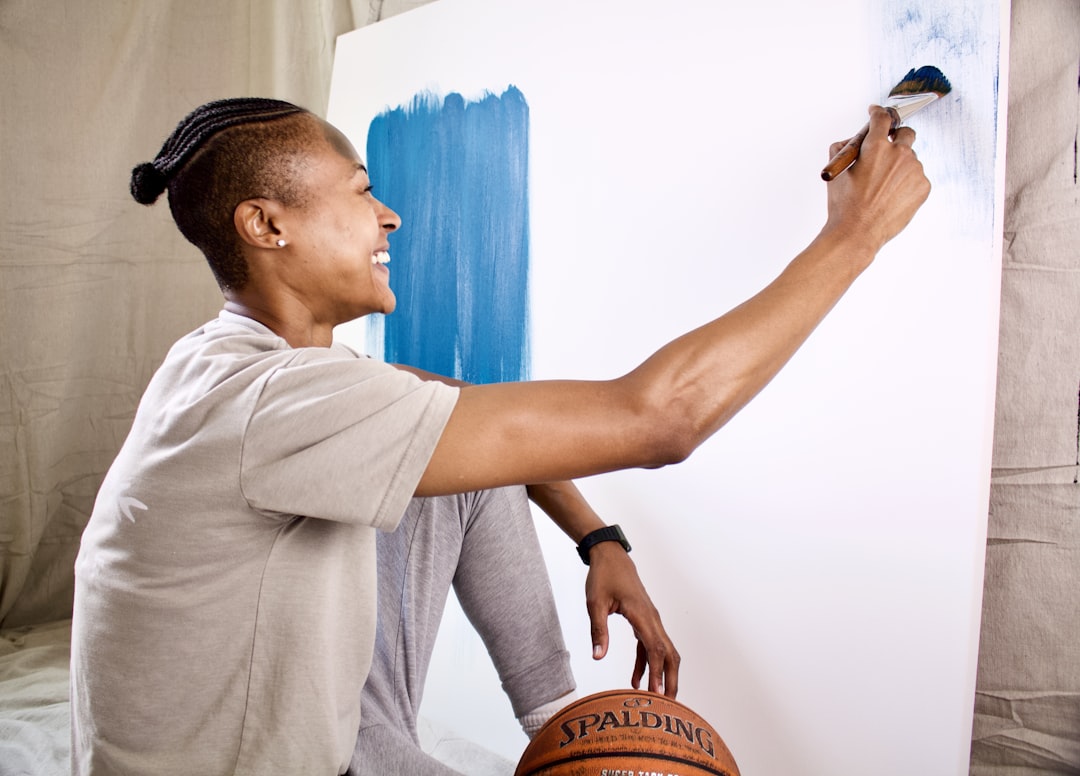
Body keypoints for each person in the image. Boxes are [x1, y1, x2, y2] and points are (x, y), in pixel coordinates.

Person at [70, 96, 929, 776]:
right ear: (267, 226)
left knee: (468, 458)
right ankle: (578, 757)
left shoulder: (237, 367)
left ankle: (560, 733)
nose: (390, 216)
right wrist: (854, 236)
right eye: (364, 190)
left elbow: (455, 402)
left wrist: (598, 538)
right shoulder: (267, 402)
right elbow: (663, 418)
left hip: (324, 729)